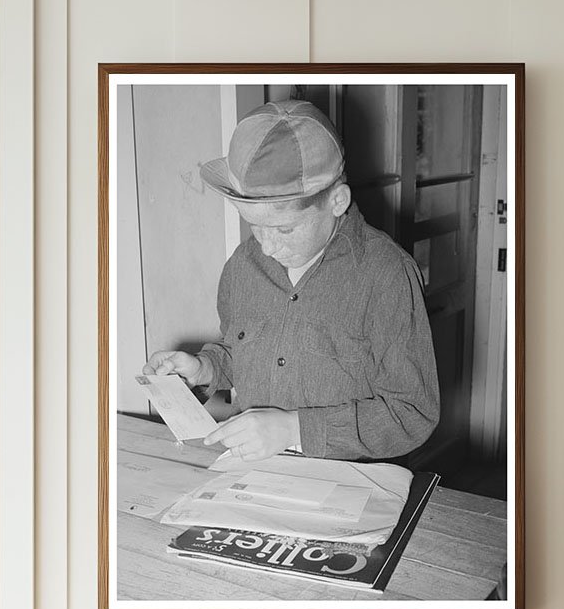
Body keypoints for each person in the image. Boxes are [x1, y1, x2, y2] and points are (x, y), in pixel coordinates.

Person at [142, 99, 439, 463]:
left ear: (337, 201)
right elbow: (244, 351)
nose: (266, 248)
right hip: (257, 475)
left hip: (350, 485)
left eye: (284, 229)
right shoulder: (242, 266)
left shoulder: (386, 275)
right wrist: (204, 368)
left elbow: (413, 412)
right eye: (254, 226)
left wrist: (293, 429)